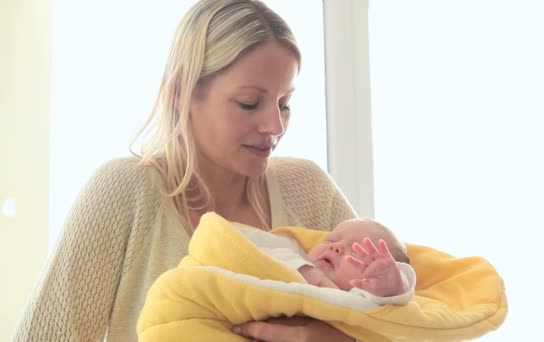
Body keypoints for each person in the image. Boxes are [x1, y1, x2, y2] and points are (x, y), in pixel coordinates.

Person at [12, 1, 360, 341]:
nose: (275, 125)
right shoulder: (123, 193)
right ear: (181, 92)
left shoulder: (309, 189)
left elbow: (401, 316)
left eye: (284, 104)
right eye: (249, 103)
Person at [248, 217, 416, 305]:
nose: (337, 247)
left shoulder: (362, 296)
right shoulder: (292, 255)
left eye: (357, 251)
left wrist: (391, 287)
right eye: (331, 239)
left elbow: (395, 306)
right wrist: (306, 271)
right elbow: (252, 251)